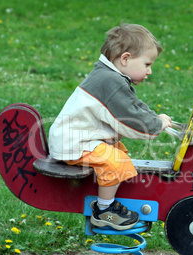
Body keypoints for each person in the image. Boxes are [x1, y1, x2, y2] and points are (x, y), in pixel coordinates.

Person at [48, 24, 172, 230]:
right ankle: (104, 210)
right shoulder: (109, 81)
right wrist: (154, 126)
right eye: (147, 64)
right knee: (115, 161)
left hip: (79, 139)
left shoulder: (110, 77)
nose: (149, 71)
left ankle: (108, 192)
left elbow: (133, 106)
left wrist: (154, 117)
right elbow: (129, 119)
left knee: (119, 152)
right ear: (125, 59)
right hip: (74, 143)